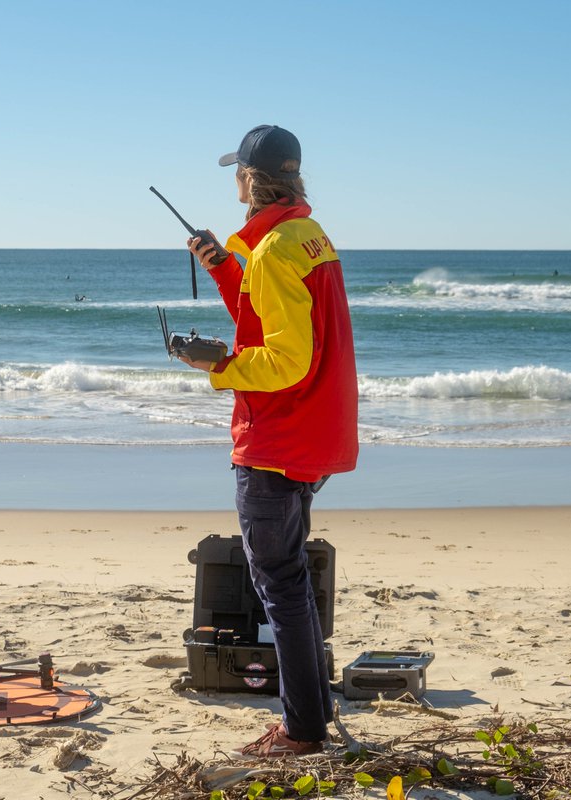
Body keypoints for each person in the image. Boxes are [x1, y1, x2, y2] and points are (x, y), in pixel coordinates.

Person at [183, 125, 359, 757]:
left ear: (249, 181)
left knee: (280, 585)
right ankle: (309, 716)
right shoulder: (305, 237)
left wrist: (220, 369)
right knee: (286, 580)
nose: (233, 180)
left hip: (278, 436)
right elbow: (266, 311)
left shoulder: (276, 250)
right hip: (311, 433)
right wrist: (224, 266)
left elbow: (286, 359)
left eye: (237, 172)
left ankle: (302, 729)